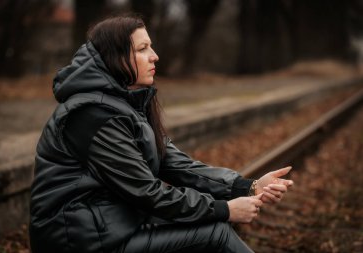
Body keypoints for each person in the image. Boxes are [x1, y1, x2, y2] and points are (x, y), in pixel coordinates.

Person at [29, 15, 294, 253]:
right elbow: (147, 191)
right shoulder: (92, 115)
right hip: (79, 240)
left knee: (204, 229)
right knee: (215, 233)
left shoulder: (126, 104)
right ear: (115, 57)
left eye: (151, 46)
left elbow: (177, 165)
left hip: (111, 225)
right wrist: (225, 210)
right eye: (142, 49)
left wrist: (248, 186)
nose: (155, 55)